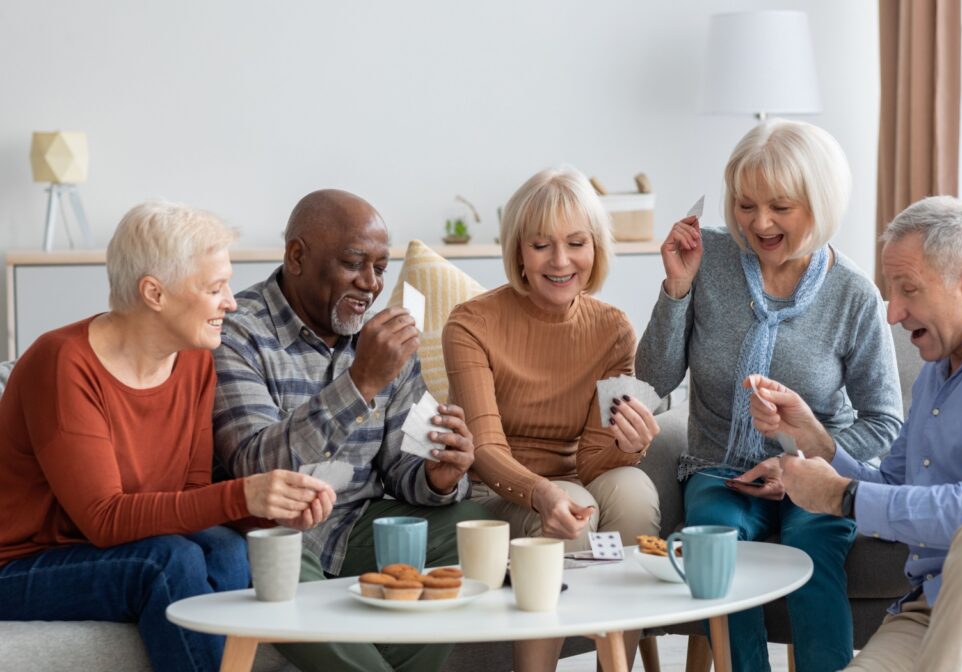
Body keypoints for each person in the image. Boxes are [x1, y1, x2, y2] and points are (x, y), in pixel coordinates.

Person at [0, 201, 335, 672]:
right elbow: (103, 517)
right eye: (215, 288)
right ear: (154, 293)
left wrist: (269, 512)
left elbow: (191, 499)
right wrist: (244, 494)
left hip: (113, 549)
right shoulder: (62, 364)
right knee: (167, 562)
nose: (232, 302)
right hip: (20, 564)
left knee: (226, 549)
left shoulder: (194, 360)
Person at [635, 119, 903, 672]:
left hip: (815, 471)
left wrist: (799, 461)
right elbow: (654, 380)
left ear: (819, 202)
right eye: (746, 204)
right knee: (718, 550)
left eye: (780, 206)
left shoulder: (853, 293)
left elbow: (883, 422)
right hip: (719, 469)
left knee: (813, 553)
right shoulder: (706, 258)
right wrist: (677, 289)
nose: (759, 222)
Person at [213, 188, 487, 672]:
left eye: (381, 268)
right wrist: (361, 382)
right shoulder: (237, 332)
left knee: (473, 530)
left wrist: (438, 473)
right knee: (268, 562)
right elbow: (254, 464)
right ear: (297, 256)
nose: (371, 284)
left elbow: (402, 465)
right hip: (277, 530)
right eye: (353, 263)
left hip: (359, 523)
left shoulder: (384, 337)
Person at [752, 196, 962, 670]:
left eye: (908, 290)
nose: (893, 313)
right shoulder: (939, 369)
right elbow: (897, 486)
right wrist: (818, 442)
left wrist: (843, 497)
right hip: (928, 608)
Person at [443, 166, 661, 671]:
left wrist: (628, 445)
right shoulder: (471, 324)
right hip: (500, 491)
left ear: (596, 248)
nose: (561, 261)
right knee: (576, 508)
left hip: (575, 480)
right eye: (541, 245)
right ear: (519, 251)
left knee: (633, 488)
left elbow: (592, 457)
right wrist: (543, 492)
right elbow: (485, 450)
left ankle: (616, 667)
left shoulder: (612, 329)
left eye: (576, 243)